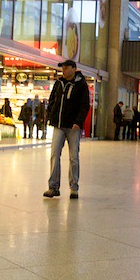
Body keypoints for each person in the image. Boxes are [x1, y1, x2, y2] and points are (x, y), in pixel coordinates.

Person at [43, 59, 90, 199]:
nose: (63, 70)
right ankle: (53, 187)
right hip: (58, 125)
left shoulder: (81, 85)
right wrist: (50, 115)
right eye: (62, 68)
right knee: (54, 154)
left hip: (73, 127)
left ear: (74, 69)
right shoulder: (59, 83)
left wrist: (79, 122)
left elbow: (84, 105)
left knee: (73, 157)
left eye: (66, 68)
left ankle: (74, 187)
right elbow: (52, 101)